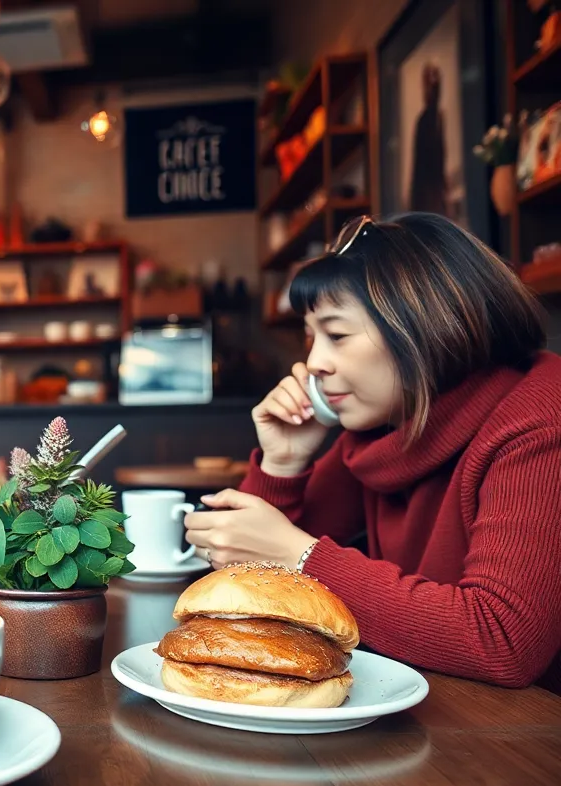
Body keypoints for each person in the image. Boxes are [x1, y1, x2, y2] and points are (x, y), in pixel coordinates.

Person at [183, 213, 561, 692]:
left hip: (522, 728)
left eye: (337, 335)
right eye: (311, 337)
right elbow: (248, 586)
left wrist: (299, 556)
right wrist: (283, 463)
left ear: (427, 327)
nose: (313, 363)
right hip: (428, 705)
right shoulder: (383, 424)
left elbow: (503, 640)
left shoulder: (541, 419)